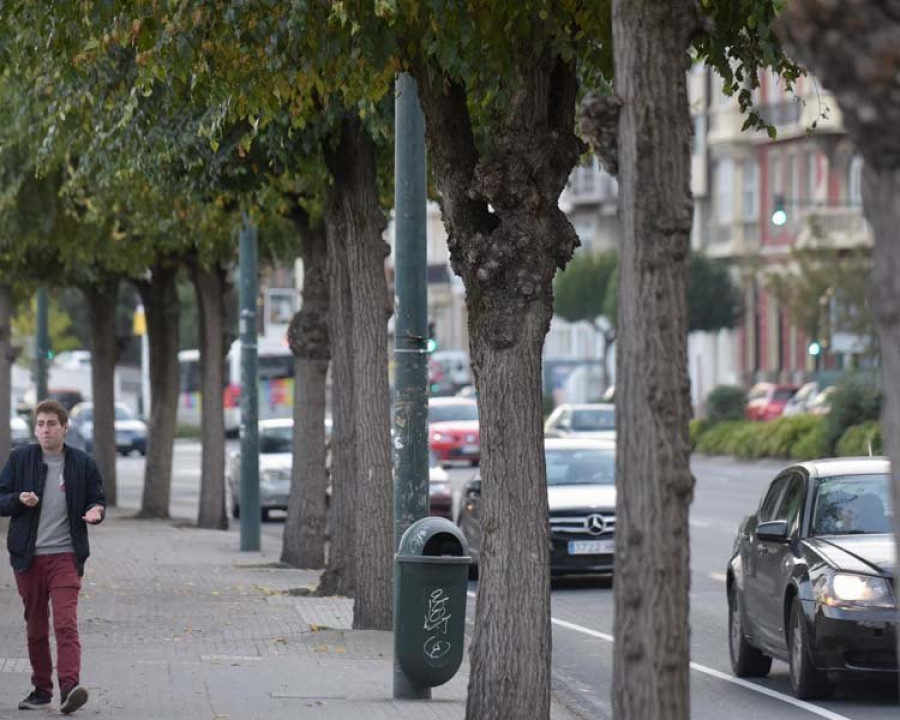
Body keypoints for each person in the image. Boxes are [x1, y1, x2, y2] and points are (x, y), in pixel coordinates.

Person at [0, 399, 106, 714]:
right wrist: (18, 500)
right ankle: (41, 690)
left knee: (65, 622)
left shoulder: (82, 463)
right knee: (35, 626)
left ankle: (70, 687)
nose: (45, 430)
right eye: (41, 424)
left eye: (51, 424)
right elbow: (0, 499)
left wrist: (95, 511)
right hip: (28, 558)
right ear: (36, 428)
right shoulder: (20, 459)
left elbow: (97, 499)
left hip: (66, 555)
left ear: (64, 428)